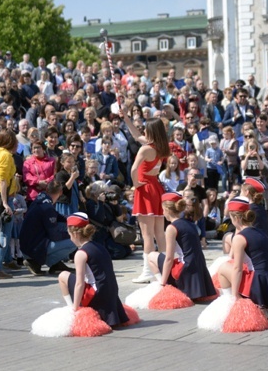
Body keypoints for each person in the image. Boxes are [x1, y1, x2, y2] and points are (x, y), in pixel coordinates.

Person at [215, 196, 268, 314]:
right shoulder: (260, 232)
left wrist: (235, 296)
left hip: (257, 281)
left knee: (223, 268)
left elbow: (237, 268)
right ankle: (266, 307)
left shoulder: (240, 238)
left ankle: (233, 301)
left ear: (235, 217)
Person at [57, 212, 130, 326]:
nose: (70, 238)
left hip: (96, 295)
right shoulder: (100, 246)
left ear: (75, 234)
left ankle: (71, 308)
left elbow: (79, 284)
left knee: (62, 276)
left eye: (69, 235)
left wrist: (76, 309)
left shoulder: (81, 253)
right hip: (111, 294)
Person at [122, 111, 169, 283]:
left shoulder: (145, 149)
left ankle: (148, 272)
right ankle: (164, 267)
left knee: (147, 234)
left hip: (145, 188)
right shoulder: (161, 146)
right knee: (159, 232)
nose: (143, 130)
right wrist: (126, 119)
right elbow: (136, 136)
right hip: (156, 187)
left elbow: (134, 169)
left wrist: (135, 184)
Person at [148, 192, 217, 300]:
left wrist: (163, 283)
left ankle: (163, 285)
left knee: (151, 256)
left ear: (167, 209)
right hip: (199, 268)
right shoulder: (191, 223)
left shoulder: (171, 228)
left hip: (185, 270)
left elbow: (169, 259)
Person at [20, 180, 76, 276]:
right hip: (33, 249)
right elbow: (55, 236)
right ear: (61, 193)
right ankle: (44, 263)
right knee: (74, 241)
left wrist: (71, 219)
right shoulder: (48, 207)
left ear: (47, 189)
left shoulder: (41, 199)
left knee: (64, 225)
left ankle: (55, 263)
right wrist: (72, 234)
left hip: (26, 245)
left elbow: (56, 216)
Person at [0, 129, 20, 280]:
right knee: (4, 234)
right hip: (3, 198)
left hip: (2, 196)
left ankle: (7, 260)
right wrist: (5, 202)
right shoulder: (6, 156)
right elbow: (2, 180)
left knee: (6, 230)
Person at [241, 178, 268, 272]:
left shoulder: (250, 210)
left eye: (241, 191)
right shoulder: (259, 208)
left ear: (246, 192)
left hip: (262, 252)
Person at [23, 140, 55, 205]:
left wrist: (46, 182)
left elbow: (55, 174)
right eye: (34, 148)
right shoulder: (27, 163)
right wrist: (38, 182)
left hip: (49, 194)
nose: (36, 150)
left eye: (38, 147)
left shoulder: (52, 161)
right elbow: (26, 177)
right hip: (33, 196)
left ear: (43, 148)